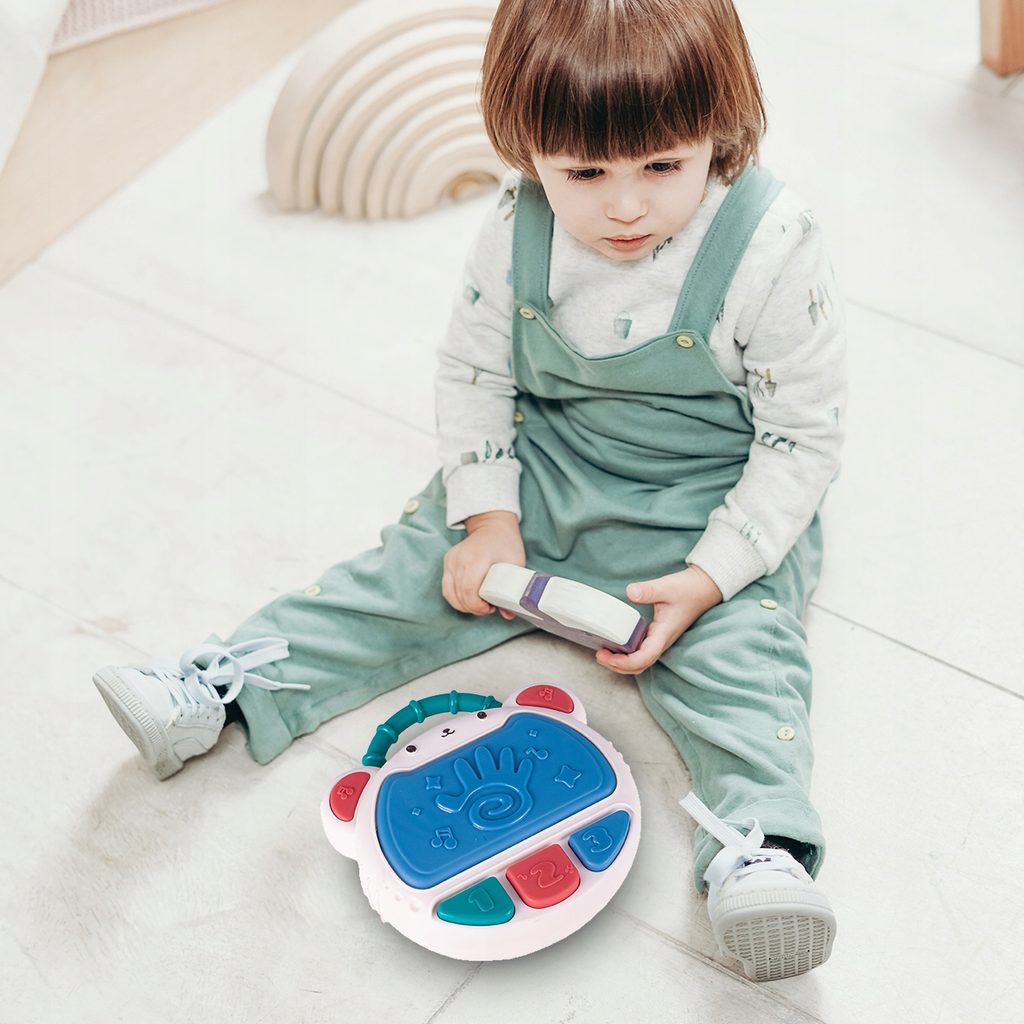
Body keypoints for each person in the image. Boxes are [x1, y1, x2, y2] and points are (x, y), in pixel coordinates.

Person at [92, 0, 846, 982]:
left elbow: (801, 439)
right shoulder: (514, 223)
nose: (624, 207)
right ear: (526, 148)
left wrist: (709, 578)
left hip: (706, 505)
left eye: (663, 165)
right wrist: (488, 519)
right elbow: (475, 374)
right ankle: (223, 685)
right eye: (583, 174)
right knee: (400, 578)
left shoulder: (772, 243)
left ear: (722, 127)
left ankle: (759, 851)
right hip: (545, 470)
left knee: (745, 669)